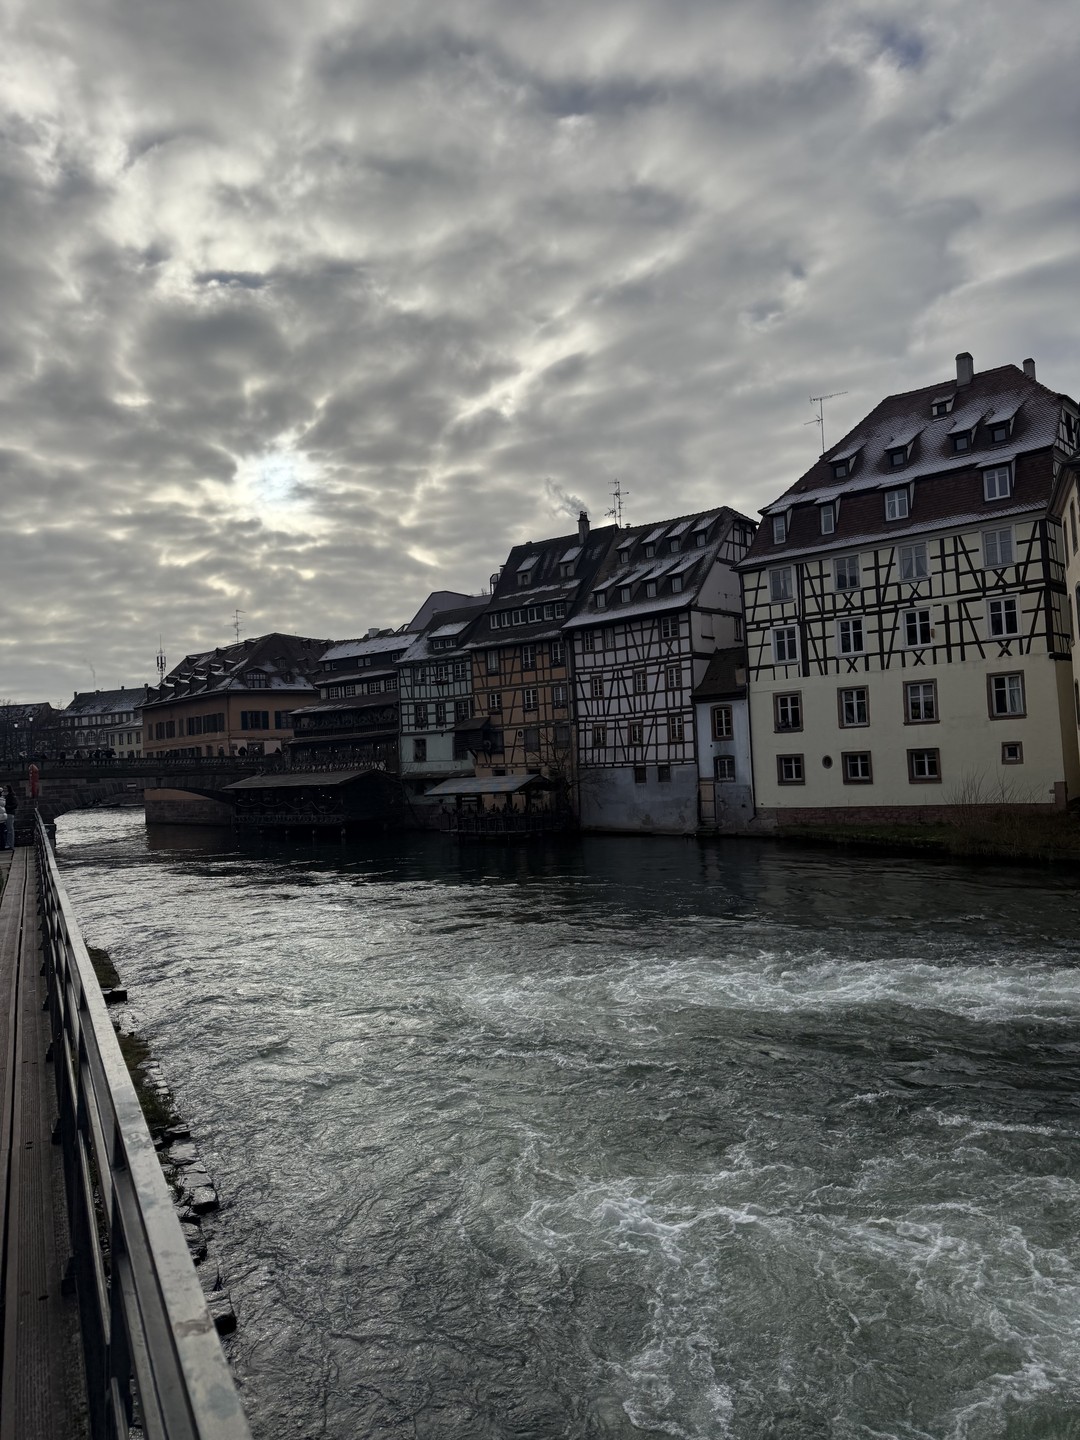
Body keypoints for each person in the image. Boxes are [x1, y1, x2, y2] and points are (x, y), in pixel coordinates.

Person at [3, 786, 17, 850]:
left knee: (10, 830)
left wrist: (7, 807)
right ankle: (7, 844)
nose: (4, 789)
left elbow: (15, 805)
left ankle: (10, 844)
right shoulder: (4, 796)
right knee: (7, 830)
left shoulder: (11, 796)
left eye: (5, 788)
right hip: (5, 814)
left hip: (9, 813)